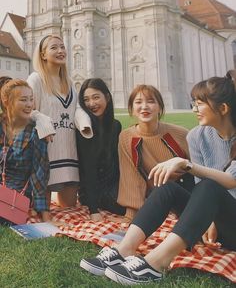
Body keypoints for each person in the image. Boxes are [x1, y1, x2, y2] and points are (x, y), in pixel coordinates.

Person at [80, 71, 236, 284]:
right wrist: (208, 219)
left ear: (223, 109)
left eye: (200, 104)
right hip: (213, 223)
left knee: (209, 187)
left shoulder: (185, 134)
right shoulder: (197, 136)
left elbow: (231, 181)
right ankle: (124, 249)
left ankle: (156, 263)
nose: (194, 109)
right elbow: (200, 188)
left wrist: (186, 165)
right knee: (167, 188)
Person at [27, 35, 92, 208]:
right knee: (42, 210)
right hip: (46, 151)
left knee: (69, 208)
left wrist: (84, 123)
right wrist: (42, 119)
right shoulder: (36, 79)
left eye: (62, 47)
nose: (60, 51)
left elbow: (75, 108)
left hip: (68, 152)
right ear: (43, 55)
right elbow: (27, 110)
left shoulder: (69, 82)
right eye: (54, 47)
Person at [116, 84, 193, 222]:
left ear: (160, 107)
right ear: (132, 109)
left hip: (185, 195)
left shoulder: (180, 133)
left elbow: (197, 170)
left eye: (151, 101)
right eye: (138, 102)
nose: (144, 107)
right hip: (155, 198)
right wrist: (131, 215)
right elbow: (131, 176)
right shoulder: (126, 137)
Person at [0, 79, 50, 223]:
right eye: (23, 100)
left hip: (16, 197)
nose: (29, 105)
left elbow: (39, 175)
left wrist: (46, 216)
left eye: (31, 99)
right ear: (6, 101)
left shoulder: (36, 132)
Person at [77, 78, 125, 221]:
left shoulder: (115, 125)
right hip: (93, 190)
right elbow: (88, 168)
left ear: (108, 97)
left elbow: (117, 163)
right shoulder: (85, 128)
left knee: (140, 200)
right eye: (86, 100)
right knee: (123, 206)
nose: (91, 104)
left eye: (96, 97)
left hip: (112, 183)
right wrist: (93, 209)